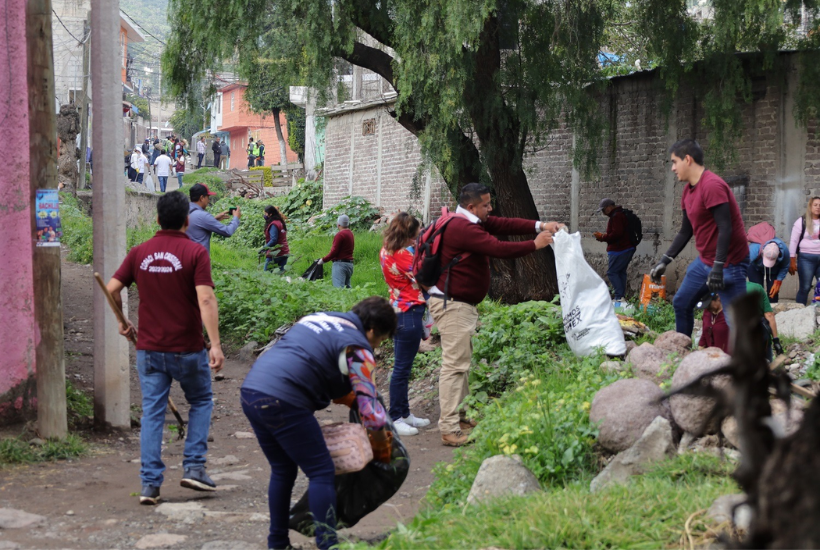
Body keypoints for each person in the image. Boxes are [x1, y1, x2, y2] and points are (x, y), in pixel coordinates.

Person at [241, 297, 396, 550]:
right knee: (321, 471)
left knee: (283, 469)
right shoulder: (358, 347)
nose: (377, 346)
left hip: (252, 390)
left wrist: (344, 396)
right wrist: (383, 449)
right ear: (371, 330)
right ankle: (328, 545)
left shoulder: (318, 318)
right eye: (380, 340)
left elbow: (309, 361)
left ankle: (277, 543)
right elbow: (371, 409)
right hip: (285, 400)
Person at [105, 191, 225, 506]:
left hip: (149, 349)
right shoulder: (195, 252)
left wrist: (122, 319)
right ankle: (194, 468)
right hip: (187, 348)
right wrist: (215, 344)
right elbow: (206, 299)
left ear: (157, 219)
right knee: (200, 401)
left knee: (152, 414)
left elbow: (112, 288)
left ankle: (149, 486)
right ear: (187, 220)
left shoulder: (139, 252)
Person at [427, 183, 560, 446]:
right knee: (454, 366)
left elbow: (503, 224)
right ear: (471, 206)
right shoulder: (462, 228)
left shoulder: (468, 220)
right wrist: (535, 245)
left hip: (458, 304)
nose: (490, 209)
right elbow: (498, 248)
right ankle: (449, 428)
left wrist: (540, 225)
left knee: (461, 364)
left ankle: (461, 416)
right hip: (452, 305)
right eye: (486, 205)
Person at [650, 139, 749, 337]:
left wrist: (719, 267)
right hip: (705, 262)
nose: (672, 168)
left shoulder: (712, 185)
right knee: (681, 303)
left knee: (739, 323)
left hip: (730, 264)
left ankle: (760, 364)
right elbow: (686, 231)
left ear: (688, 159)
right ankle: (682, 353)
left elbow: (725, 228)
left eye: (674, 162)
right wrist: (665, 260)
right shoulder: (687, 191)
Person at [379, 212, 430, 437]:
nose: (417, 237)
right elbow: (425, 279)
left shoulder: (387, 249)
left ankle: (404, 413)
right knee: (401, 369)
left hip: (400, 309)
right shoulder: (403, 255)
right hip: (408, 312)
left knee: (403, 367)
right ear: (407, 234)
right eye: (415, 234)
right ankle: (395, 417)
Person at [593, 198, 636, 305]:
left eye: (603, 210)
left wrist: (603, 237)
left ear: (608, 207)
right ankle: (621, 298)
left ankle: (619, 297)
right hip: (627, 248)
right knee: (620, 272)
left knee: (612, 272)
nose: (603, 213)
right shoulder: (620, 214)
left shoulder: (616, 216)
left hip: (619, 249)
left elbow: (617, 234)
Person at [186, 183, 241, 253]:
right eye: (208, 197)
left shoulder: (184, 210)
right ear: (202, 198)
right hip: (199, 260)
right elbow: (227, 231)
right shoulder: (203, 216)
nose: (208, 201)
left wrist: (214, 219)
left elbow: (196, 224)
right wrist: (236, 218)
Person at [789, 196, 820, 305]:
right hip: (806, 259)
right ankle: (799, 312)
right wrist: (792, 260)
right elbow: (793, 241)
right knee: (805, 287)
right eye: (815, 205)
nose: (818, 207)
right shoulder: (801, 221)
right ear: (810, 206)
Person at [747, 280, 784, 361]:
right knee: (768, 364)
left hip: (739, 334)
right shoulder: (757, 287)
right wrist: (776, 340)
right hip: (760, 331)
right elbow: (769, 315)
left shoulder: (726, 290)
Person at [748, 238, 789, 303]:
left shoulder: (784, 250)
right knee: (756, 291)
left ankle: (772, 309)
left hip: (774, 269)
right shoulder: (754, 249)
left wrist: (778, 280)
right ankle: (756, 311)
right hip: (755, 268)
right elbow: (743, 265)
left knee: (773, 293)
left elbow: (785, 266)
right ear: (762, 252)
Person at [318, 215, 355, 288]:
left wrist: (323, 260)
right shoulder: (350, 233)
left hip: (340, 265)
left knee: (339, 289)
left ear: (338, 225)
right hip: (349, 264)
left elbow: (334, 251)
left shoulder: (340, 235)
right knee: (348, 289)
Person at [261, 205, 289, 272]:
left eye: (266, 213)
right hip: (284, 251)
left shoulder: (273, 225)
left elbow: (273, 240)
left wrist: (264, 248)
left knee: (266, 274)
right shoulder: (280, 222)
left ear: (270, 214)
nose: (265, 215)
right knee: (281, 273)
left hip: (275, 253)